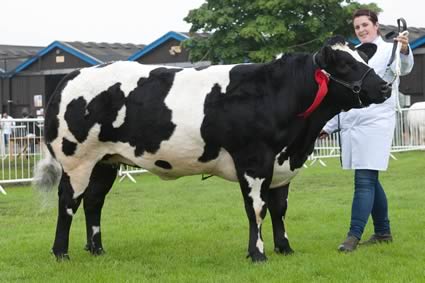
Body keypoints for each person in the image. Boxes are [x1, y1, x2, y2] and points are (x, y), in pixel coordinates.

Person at [320, 9, 414, 252]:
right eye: (357, 27)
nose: (361, 30)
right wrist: (329, 126)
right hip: (353, 123)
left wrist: (404, 50)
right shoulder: (353, 55)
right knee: (371, 179)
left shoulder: (389, 49)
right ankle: (383, 232)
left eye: (365, 25)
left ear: (376, 25)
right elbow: (345, 93)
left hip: (376, 122)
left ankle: (353, 235)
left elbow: (403, 69)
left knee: (363, 180)